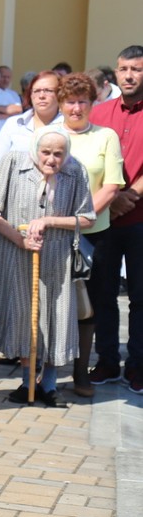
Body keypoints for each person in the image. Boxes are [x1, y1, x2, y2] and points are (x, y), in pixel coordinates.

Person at [0, 126, 94, 407]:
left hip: (57, 256)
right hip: (16, 253)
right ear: (35, 150)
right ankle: (28, 381)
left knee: (56, 317)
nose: (52, 160)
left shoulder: (75, 171)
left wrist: (49, 221)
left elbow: (87, 218)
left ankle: (50, 385)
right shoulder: (13, 162)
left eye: (59, 154)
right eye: (46, 152)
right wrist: (19, 239)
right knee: (23, 317)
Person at [56, 72, 124, 397]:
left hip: (95, 235)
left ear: (93, 103)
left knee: (89, 306)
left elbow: (111, 185)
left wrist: (81, 218)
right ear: (61, 104)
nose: (77, 107)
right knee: (54, 302)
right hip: (55, 235)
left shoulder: (106, 136)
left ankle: (81, 372)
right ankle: (47, 371)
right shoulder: (48, 135)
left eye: (83, 100)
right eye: (70, 101)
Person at [86, 46, 143, 393]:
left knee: (141, 297)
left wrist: (130, 196)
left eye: (136, 69)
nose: (129, 75)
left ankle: (138, 364)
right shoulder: (101, 112)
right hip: (104, 221)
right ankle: (107, 358)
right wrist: (112, 199)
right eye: (123, 69)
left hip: (140, 221)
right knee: (102, 294)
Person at [0, 70, 63, 161]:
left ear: (60, 94)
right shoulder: (14, 124)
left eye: (48, 90)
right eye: (37, 91)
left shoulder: (67, 126)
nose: (41, 96)